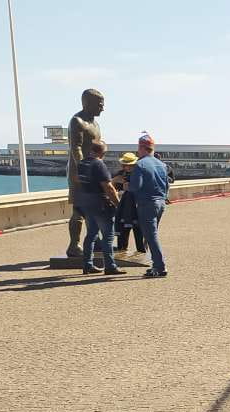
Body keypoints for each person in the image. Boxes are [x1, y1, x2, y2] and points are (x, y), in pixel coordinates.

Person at [66, 88, 106, 257]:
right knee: (79, 209)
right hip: (79, 173)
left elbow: (97, 148)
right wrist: (85, 171)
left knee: (95, 207)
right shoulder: (77, 121)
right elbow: (76, 149)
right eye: (99, 104)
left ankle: (95, 240)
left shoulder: (96, 124)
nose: (102, 108)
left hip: (93, 171)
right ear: (87, 103)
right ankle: (73, 245)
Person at [76, 141, 124, 275]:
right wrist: (118, 203)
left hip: (86, 202)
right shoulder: (98, 164)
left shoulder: (82, 163)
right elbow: (108, 187)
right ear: (102, 153)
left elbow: (79, 180)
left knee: (91, 235)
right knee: (108, 236)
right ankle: (110, 266)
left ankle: (87, 265)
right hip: (100, 204)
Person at [129, 133, 171, 277]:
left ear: (141, 148)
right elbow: (167, 185)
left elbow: (135, 187)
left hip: (147, 203)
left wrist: (125, 185)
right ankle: (156, 265)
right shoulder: (162, 165)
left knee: (151, 236)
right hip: (160, 203)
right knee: (151, 235)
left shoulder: (140, 164)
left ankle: (160, 267)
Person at [113, 152, 144, 253]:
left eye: (130, 165)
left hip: (137, 204)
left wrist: (127, 185)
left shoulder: (139, 173)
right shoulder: (120, 174)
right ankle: (122, 250)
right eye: (126, 165)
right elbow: (112, 187)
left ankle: (141, 251)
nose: (128, 167)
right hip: (125, 205)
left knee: (139, 230)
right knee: (123, 230)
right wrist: (115, 181)